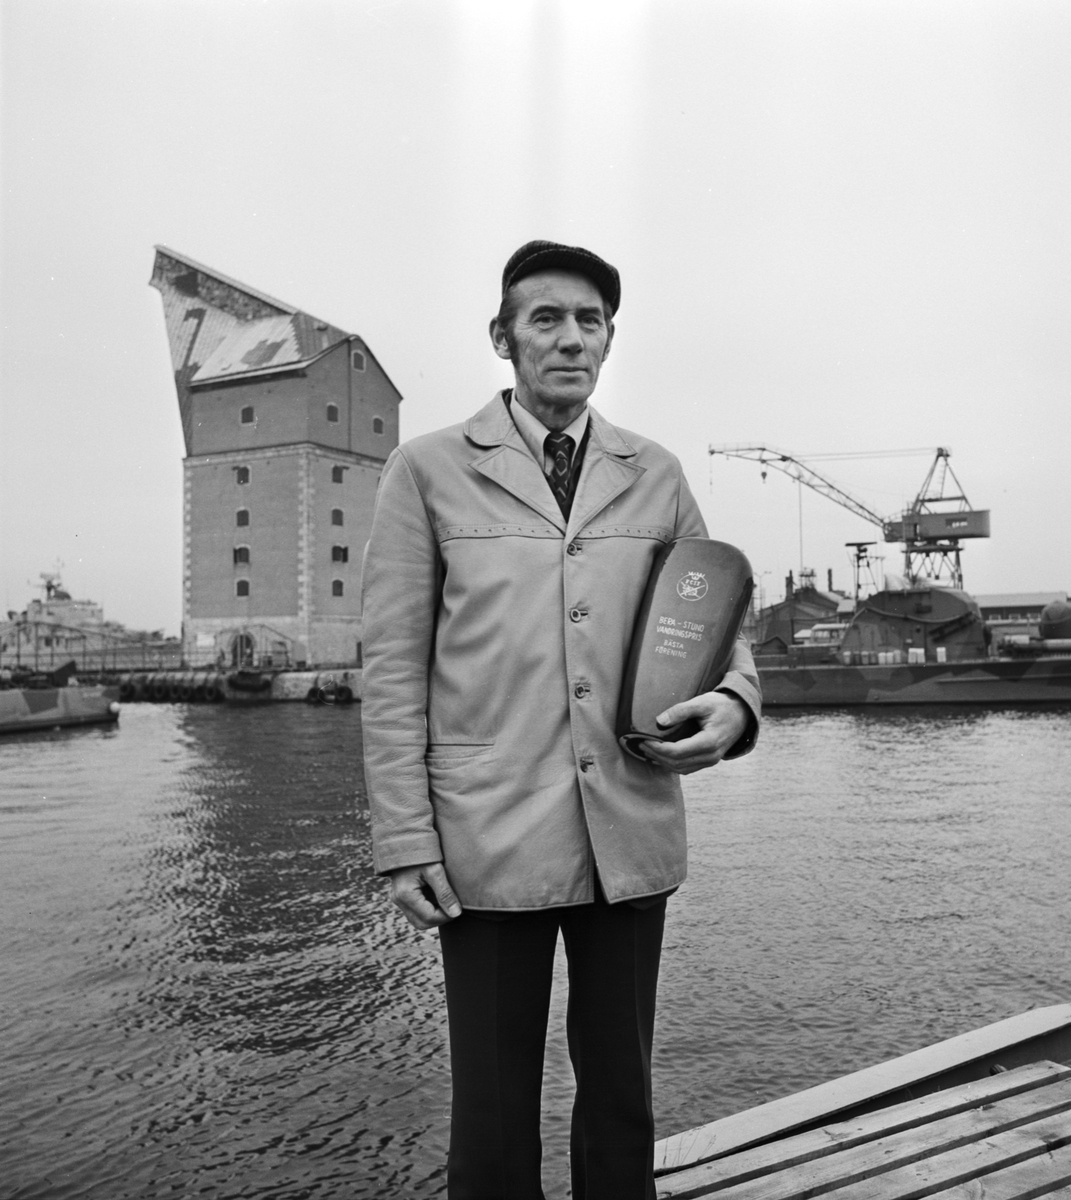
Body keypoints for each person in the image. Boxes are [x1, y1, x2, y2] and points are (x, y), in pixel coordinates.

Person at [361, 240, 761, 1199]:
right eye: (545, 319)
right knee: (493, 1114)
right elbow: (392, 666)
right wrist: (404, 840)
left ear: (609, 340)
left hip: (628, 819)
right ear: (502, 338)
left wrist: (735, 701)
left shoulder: (655, 472)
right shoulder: (426, 470)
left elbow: (711, 615)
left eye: (590, 321)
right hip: (485, 834)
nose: (571, 339)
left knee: (622, 1096)